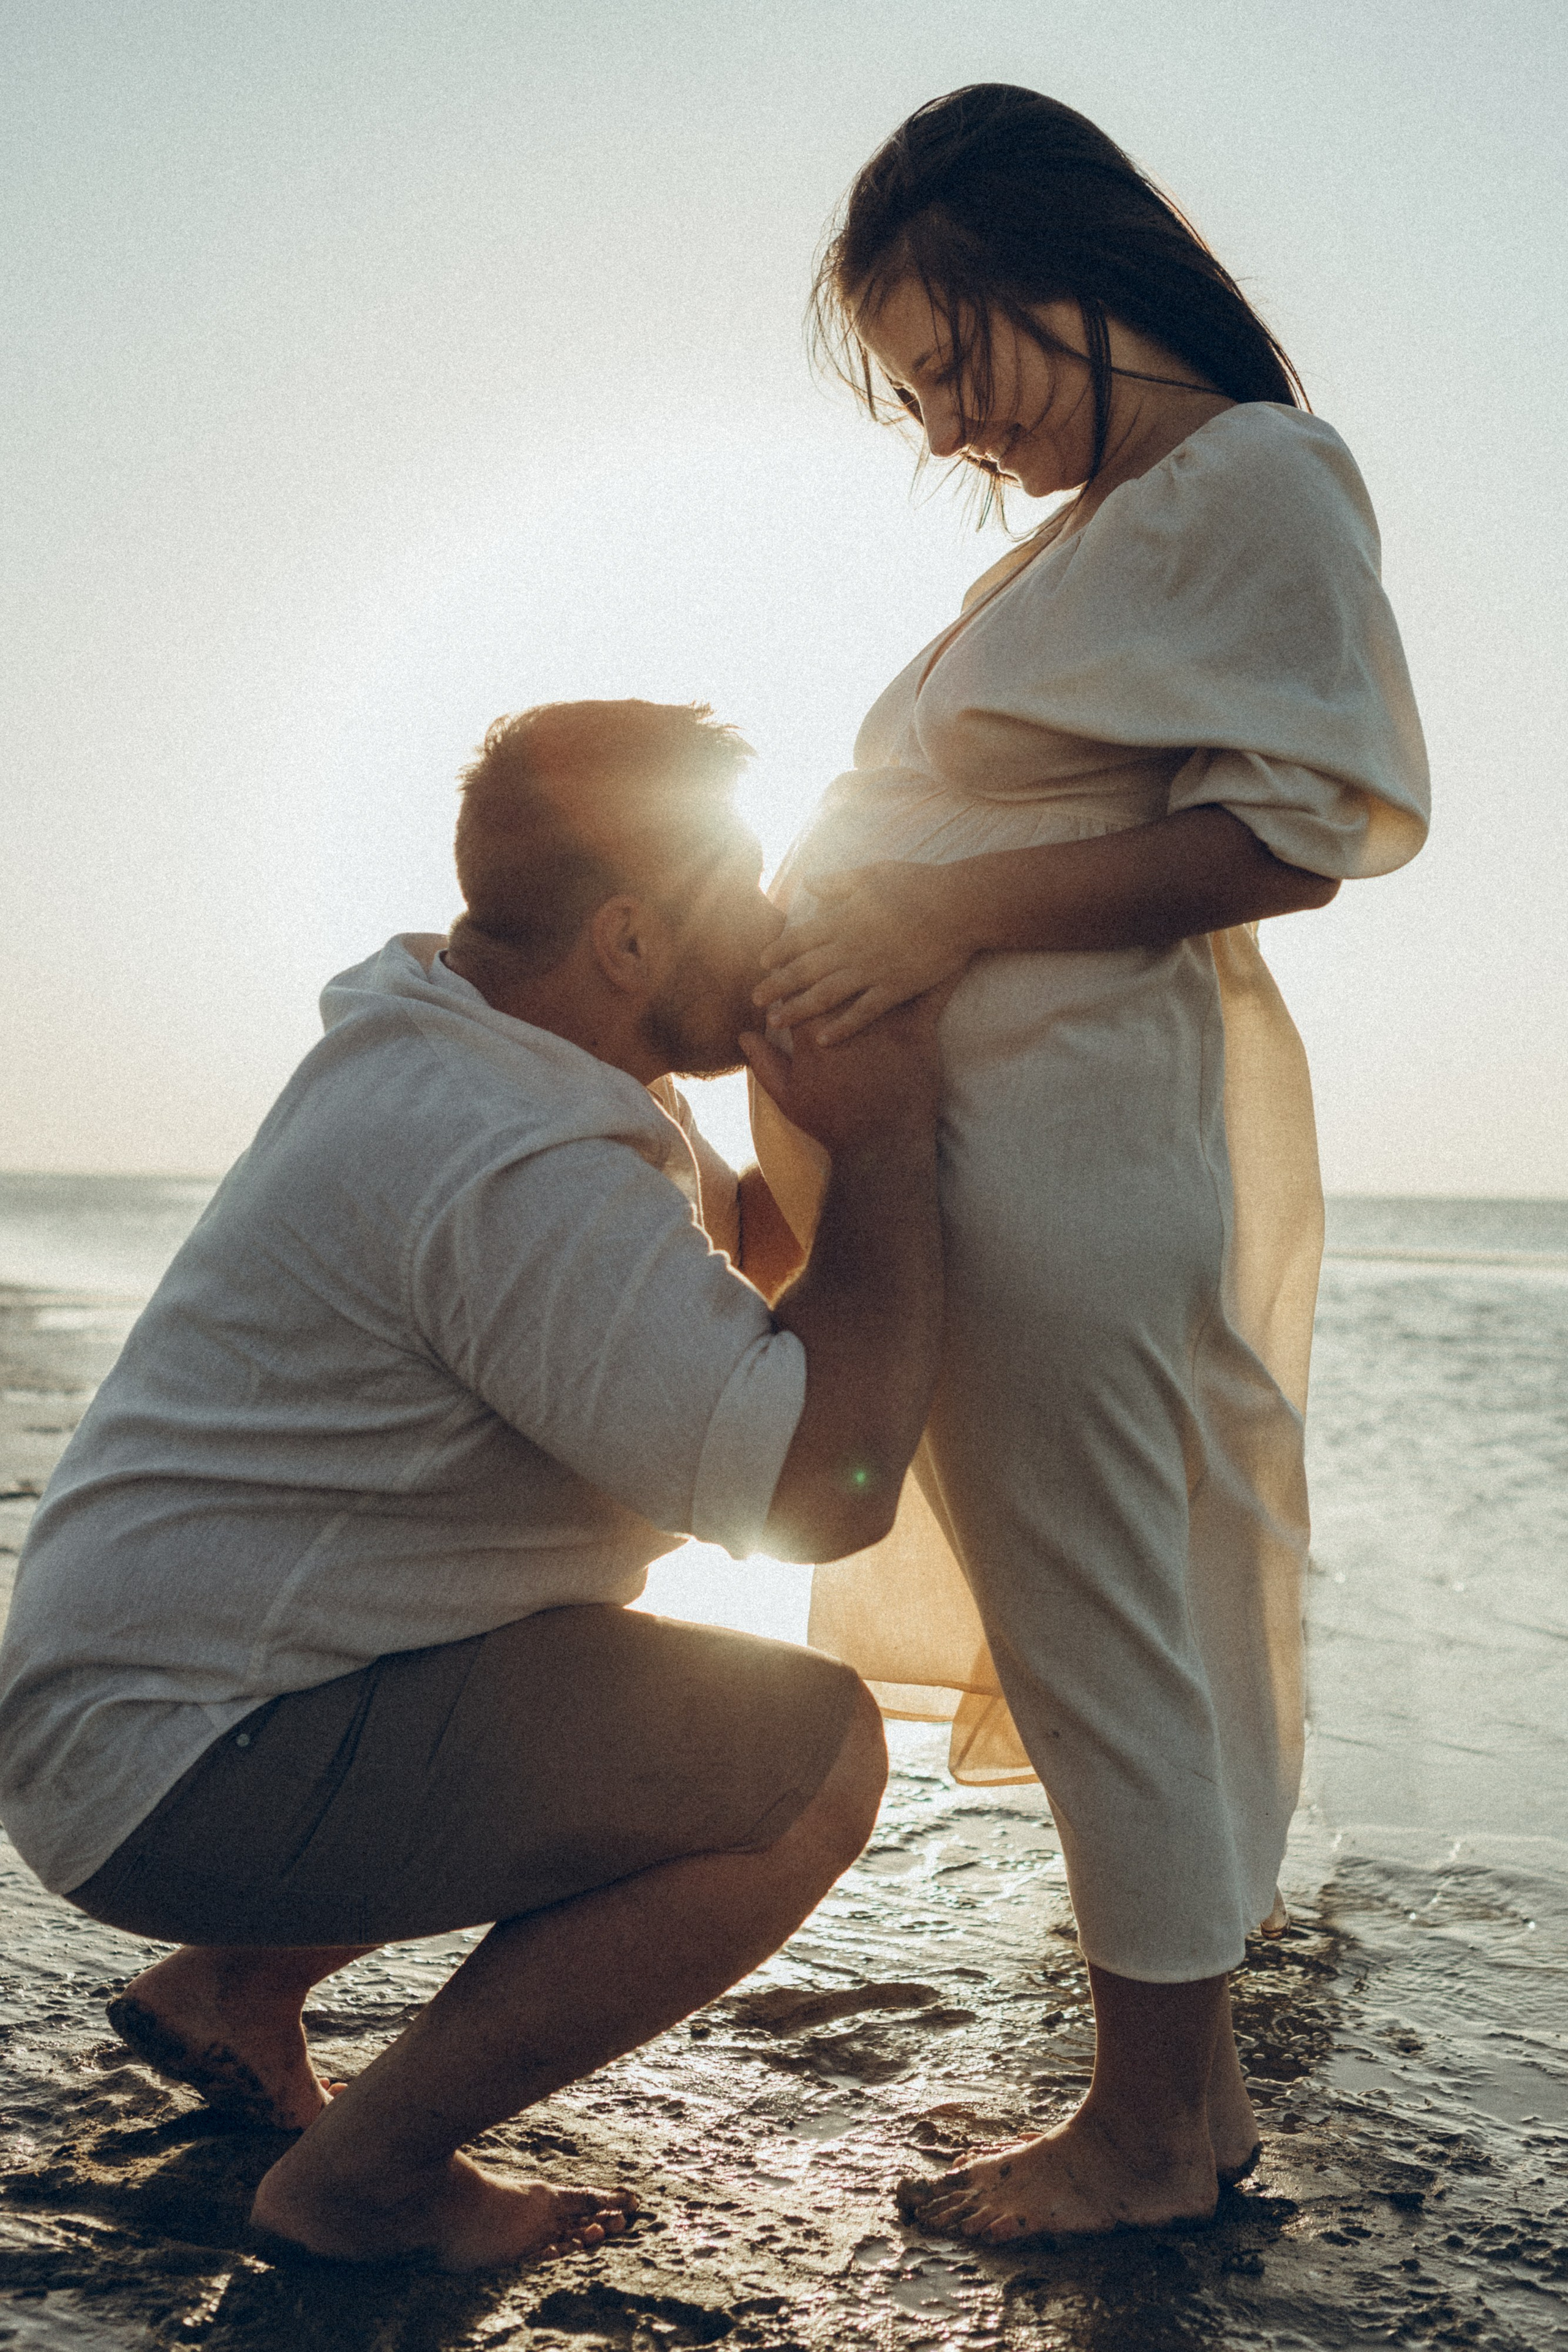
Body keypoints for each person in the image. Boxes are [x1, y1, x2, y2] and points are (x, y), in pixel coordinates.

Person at [0, 698, 949, 2272]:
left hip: (157, 1706)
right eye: (747, 893)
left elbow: (747, 1256)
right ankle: (362, 2179)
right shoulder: (508, 1154)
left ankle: (232, 1989)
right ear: (632, 940)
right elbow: (812, 1497)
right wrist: (900, 1140)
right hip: (180, 1763)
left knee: (589, 1684)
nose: (776, 926)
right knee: (805, 1759)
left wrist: (833, 1086)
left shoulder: (480, 1037)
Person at [748, 85, 1430, 2243]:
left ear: (1074, 271)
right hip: (973, 1144)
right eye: (920, 394)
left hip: (1059, 1149)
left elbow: (1295, 831)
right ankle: (1179, 2106)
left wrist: (935, 917)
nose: (949, 429)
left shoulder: (1258, 475)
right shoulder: (1091, 541)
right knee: (1101, 1614)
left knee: (1113, 1620)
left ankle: (1149, 2132)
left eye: (956, 364)